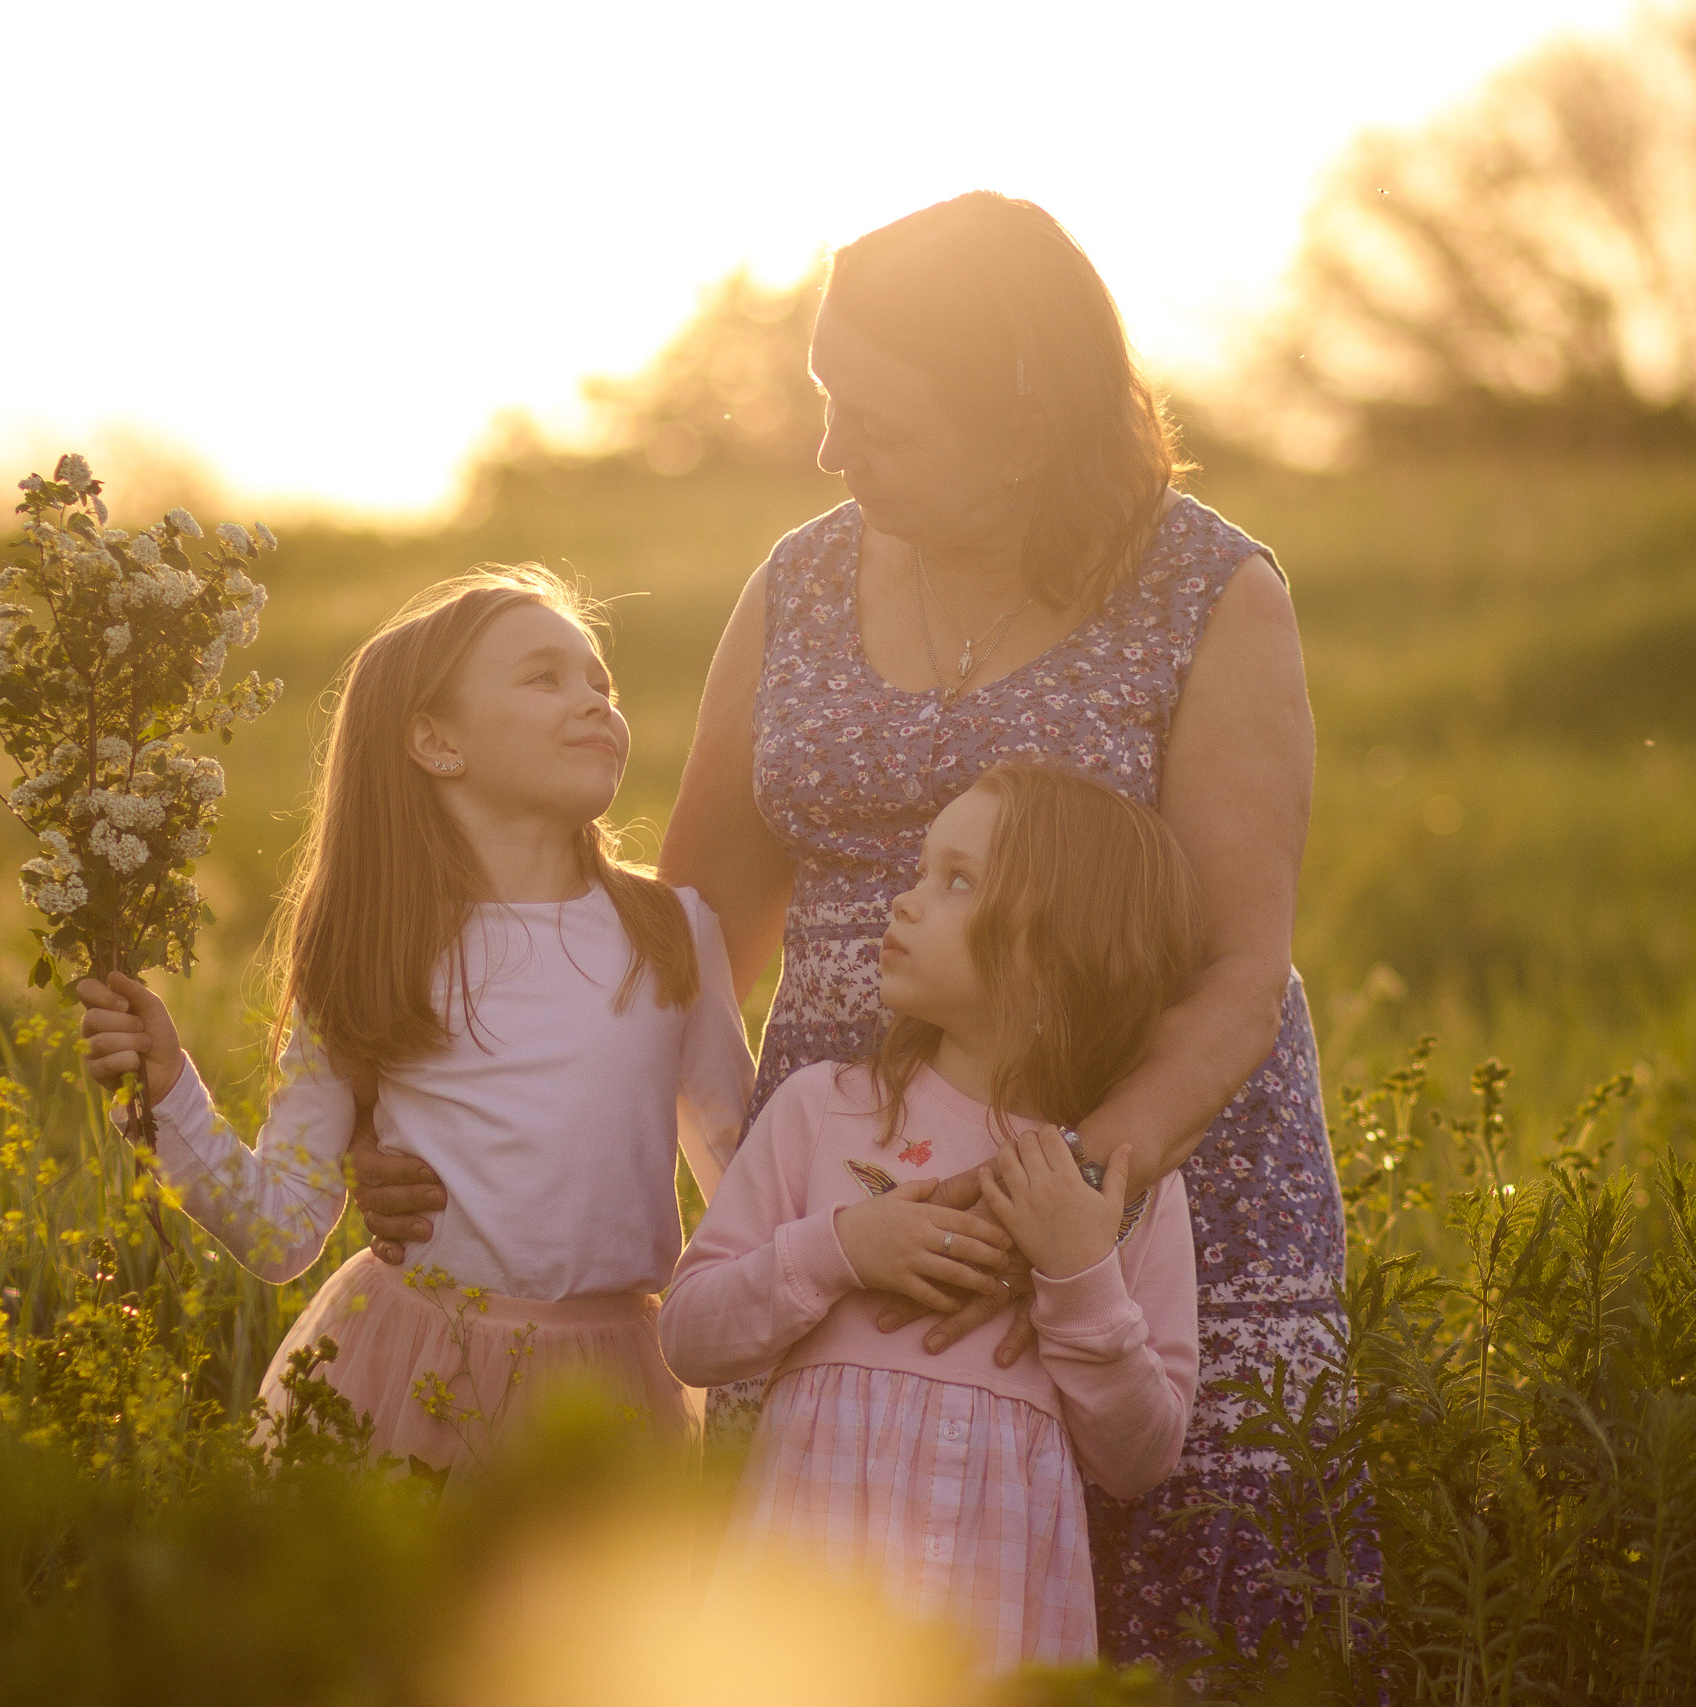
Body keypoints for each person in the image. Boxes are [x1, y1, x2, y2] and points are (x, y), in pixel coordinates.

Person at [350, 192, 1363, 1665]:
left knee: (1182, 1617)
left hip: (1134, 1167)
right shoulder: (806, 577)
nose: (830, 451)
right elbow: (676, 944)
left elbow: (1234, 963)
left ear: (1022, 411)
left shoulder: (1210, 590)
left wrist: (1074, 1197)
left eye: (876, 415)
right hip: (848, 1174)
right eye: (824, 400)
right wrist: (458, 1130)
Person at [75, 564, 754, 1475]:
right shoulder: (372, 946)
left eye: (601, 682)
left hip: (613, 1387)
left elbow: (745, 1184)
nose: (595, 701)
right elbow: (280, 1229)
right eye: (544, 677)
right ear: (435, 741)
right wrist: (167, 1093)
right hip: (410, 1372)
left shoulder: (672, 932)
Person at [658, 766, 1201, 1672]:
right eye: (921, 871)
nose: (903, 902)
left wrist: (1078, 1276)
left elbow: (1139, 1455)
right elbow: (689, 1335)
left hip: (996, 1626)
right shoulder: (822, 1113)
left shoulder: (1118, 1188)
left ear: (1056, 953)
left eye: (956, 881)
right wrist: (836, 1250)